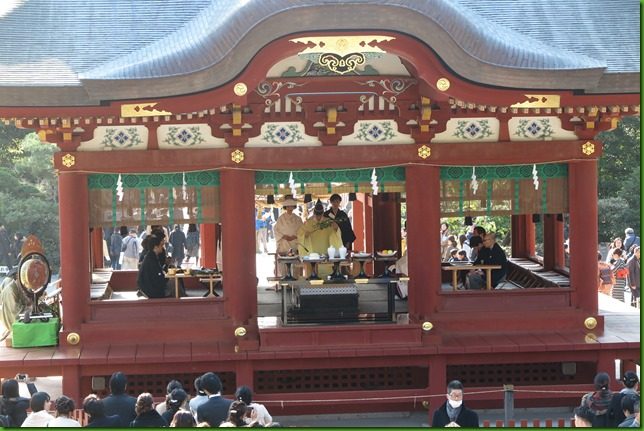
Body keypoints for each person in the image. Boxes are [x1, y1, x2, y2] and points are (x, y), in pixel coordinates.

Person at [273, 196, 304, 276]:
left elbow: (302, 231)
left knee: (295, 264)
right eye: (288, 206)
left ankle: (295, 280)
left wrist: (295, 236)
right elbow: (276, 230)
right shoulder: (281, 218)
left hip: (294, 243)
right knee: (284, 264)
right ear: (285, 207)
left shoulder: (298, 219)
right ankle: (284, 280)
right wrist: (283, 236)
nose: (290, 208)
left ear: (294, 207)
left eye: (291, 206)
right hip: (284, 243)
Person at [0, 266, 30, 341]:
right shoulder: (10, 290)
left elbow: (26, 301)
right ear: (17, 277)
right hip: (11, 321)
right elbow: (16, 312)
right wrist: (29, 309)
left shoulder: (17, 286)